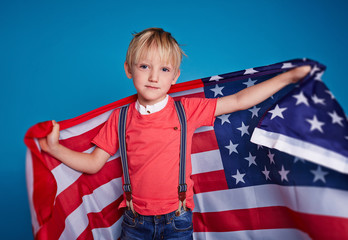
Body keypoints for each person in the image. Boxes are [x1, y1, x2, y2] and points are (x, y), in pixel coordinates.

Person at [39, 27, 311, 240]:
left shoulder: (186, 110)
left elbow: (239, 101)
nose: (154, 77)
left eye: (164, 69)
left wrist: (288, 78)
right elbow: (93, 163)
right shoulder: (120, 118)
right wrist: (54, 149)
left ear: (175, 76)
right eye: (145, 66)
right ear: (128, 69)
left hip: (177, 221)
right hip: (135, 222)